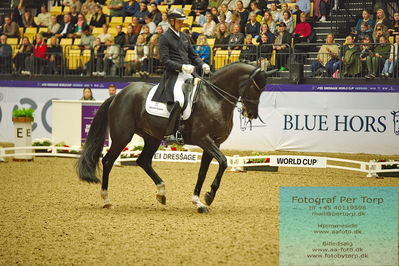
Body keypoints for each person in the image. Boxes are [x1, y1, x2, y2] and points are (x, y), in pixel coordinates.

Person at [152, 8, 210, 143]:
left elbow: (193, 55)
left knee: (201, 95)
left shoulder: (184, 36)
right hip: (173, 75)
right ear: (171, 21)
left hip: (188, 73)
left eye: (182, 21)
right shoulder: (164, 38)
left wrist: (202, 64)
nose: (181, 23)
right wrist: (182, 66)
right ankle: (169, 133)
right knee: (180, 99)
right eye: (179, 21)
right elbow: (165, 60)